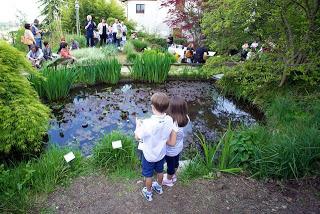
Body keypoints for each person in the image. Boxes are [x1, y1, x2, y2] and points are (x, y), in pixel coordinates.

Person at [135, 92, 177, 202]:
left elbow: (138, 137)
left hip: (149, 155)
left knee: (148, 175)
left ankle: (148, 193)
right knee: (160, 171)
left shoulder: (148, 123)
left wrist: (138, 125)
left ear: (152, 107)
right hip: (161, 153)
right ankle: (158, 187)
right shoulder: (169, 119)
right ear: (167, 108)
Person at [162, 96, 189, 187]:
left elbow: (171, 143)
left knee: (170, 165)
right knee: (176, 162)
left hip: (171, 150)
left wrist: (162, 139)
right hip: (179, 146)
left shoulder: (173, 124)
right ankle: (173, 176)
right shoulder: (186, 118)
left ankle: (169, 180)